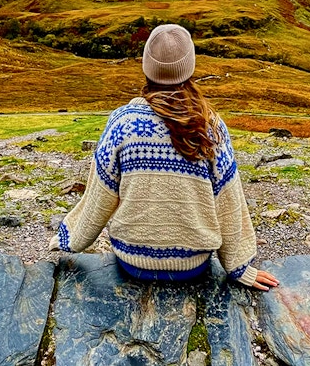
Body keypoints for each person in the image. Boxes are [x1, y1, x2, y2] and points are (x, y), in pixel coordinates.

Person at [49, 24, 279, 291]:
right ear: (189, 67)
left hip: (132, 260)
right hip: (192, 265)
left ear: (147, 66)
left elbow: (100, 195)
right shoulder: (210, 126)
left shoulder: (123, 122)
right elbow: (228, 199)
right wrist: (239, 268)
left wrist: (70, 239)